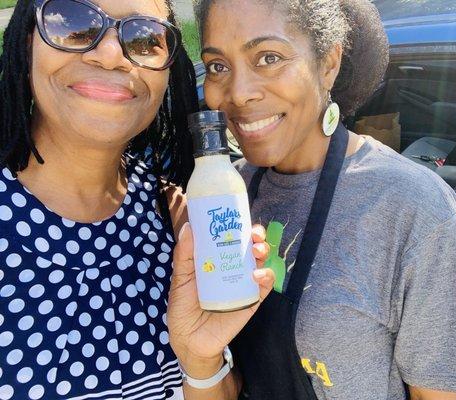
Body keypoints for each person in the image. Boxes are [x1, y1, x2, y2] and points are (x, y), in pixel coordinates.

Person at [179, 0, 456, 398]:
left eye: (269, 57)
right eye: (218, 66)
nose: (238, 94)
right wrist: (198, 357)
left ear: (328, 63)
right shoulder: (224, 199)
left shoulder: (413, 208)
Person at [0, 0, 273, 399]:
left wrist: (200, 361)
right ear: (28, 44)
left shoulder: (179, 219)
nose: (111, 54)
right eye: (74, 24)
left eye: (145, 39)